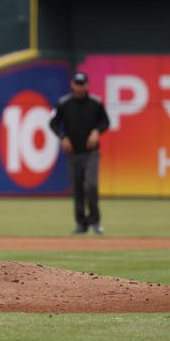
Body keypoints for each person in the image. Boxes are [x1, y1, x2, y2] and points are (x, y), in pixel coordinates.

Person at [48, 71, 110, 235]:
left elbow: (106, 121)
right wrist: (63, 137)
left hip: (91, 152)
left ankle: (95, 222)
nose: (80, 86)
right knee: (77, 189)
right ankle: (81, 224)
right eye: (77, 83)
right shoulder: (64, 103)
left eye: (82, 84)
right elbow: (53, 122)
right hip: (73, 152)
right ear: (72, 84)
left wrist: (97, 131)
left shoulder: (95, 103)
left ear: (87, 85)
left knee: (91, 185)